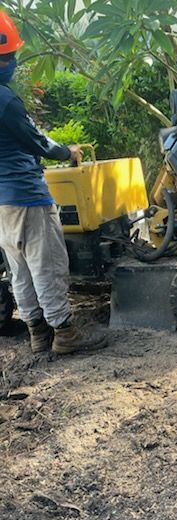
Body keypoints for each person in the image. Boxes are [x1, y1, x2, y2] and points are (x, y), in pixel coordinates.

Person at [0, 11, 106, 354]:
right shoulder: (6, 101)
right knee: (47, 265)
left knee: (20, 270)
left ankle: (38, 334)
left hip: (2, 204)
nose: (12, 62)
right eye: (9, 57)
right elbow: (38, 142)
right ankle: (65, 332)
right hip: (27, 197)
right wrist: (68, 151)